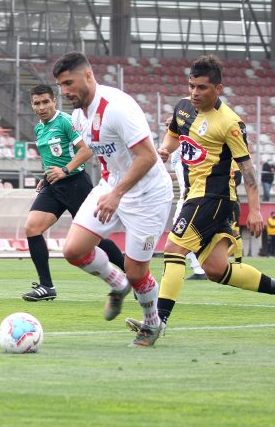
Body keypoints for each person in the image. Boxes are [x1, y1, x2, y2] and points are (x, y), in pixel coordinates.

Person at [126, 54, 275, 341]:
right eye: (191, 86)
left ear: (218, 88)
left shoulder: (229, 123)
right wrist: (165, 150)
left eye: (202, 88)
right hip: (197, 195)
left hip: (213, 196)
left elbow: (248, 168)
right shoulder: (182, 109)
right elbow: (173, 135)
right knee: (216, 269)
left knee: (174, 250)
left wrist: (255, 210)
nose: (194, 93)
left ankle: (157, 322)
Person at [53, 51, 173, 347]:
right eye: (61, 86)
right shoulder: (80, 115)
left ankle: (151, 323)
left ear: (88, 76)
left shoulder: (118, 107)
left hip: (147, 195)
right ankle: (116, 284)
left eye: (69, 83)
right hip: (113, 188)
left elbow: (147, 156)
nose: (65, 92)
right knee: (74, 250)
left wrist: (117, 194)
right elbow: (101, 151)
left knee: (137, 272)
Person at [21, 84, 127, 302]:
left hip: (75, 183)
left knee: (93, 238)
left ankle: (135, 274)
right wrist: (46, 177)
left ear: (54, 102)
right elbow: (51, 157)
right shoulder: (39, 128)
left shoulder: (66, 121)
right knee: (32, 228)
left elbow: (87, 149)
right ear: (32, 105)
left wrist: (65, 170)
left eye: (45, 102)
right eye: (37, 103)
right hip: (54, 186)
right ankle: (46, 286)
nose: (41, 107)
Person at [167, 121, 207, 281]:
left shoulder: (189, 146)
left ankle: (193, 269)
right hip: (185, 195)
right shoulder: (175, 151)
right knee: (183, 233)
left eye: (170, 124)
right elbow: (181, 172)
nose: (167, 128)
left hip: (191, 196)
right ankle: (199, 269)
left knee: (178, 233)